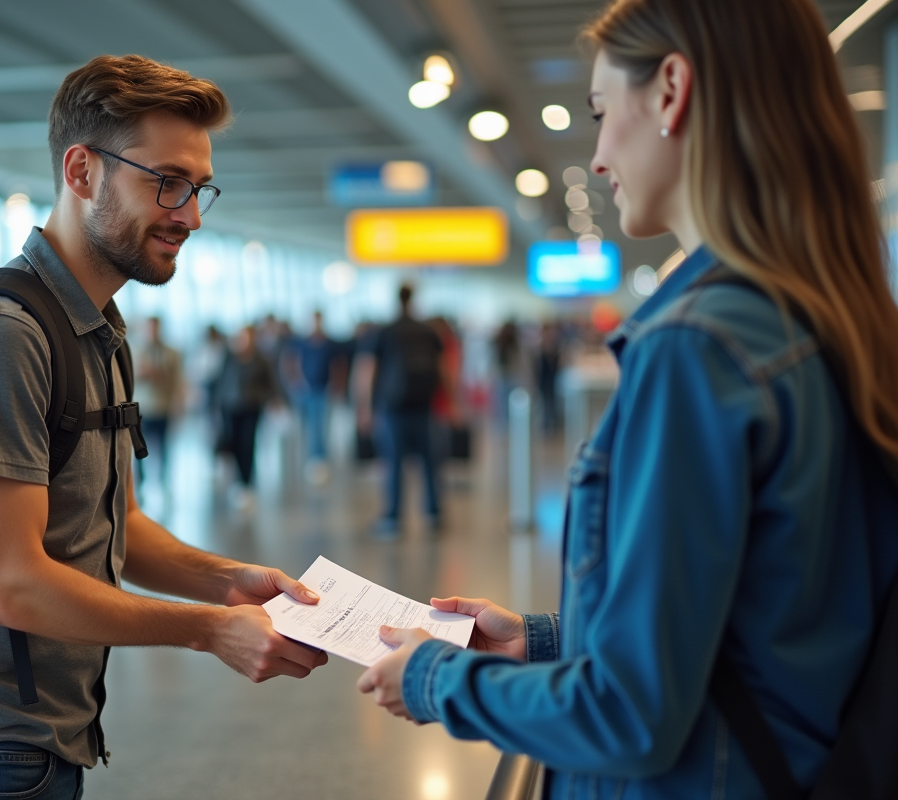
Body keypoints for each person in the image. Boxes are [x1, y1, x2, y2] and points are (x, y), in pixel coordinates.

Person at [357, 1, 898, 798]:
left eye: (604, 112)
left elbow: (630, 716)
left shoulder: (697, 347)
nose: (601, 155)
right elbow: (765, 623)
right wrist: (545, 640)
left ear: (673, 89)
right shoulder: (834, 320)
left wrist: (436, 680)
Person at [0, 55, 327, 800]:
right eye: (167, 182)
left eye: (198, 187)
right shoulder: (1, 333)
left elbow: (113, 523)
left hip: (38, 741)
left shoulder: (93, 329)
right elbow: (11, 586)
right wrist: (207, 631)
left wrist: (228, 583)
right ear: (82, 171)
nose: (190, 214)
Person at [356, 284, 444, 536]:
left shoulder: (385, 331)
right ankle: (434, 512)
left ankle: (394, 516)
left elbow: (368, 370)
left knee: (393, 460)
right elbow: (443, 368)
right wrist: (453, 401)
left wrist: (364, 407)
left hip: (393, 405)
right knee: (429, 459)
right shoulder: (428, 330)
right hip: (423, 403)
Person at [214, 323, 280, 508]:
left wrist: (272, 400)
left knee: (248, 444)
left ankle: (246, 484)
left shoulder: (261, 360)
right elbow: (220, 381)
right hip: (230, 407)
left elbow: (271, 383)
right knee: (233, 444)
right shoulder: (229, 357)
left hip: (251, 408)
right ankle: (236, 481)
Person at [290, 310, 342, 484]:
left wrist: (335, 385)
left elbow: (337, 365)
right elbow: (294, 362)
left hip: (323, 390)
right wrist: (297, 382)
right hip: (306, 390)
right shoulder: (302, 343)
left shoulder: (330, 344)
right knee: (309, 426)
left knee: (320, 426)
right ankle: (313, 459)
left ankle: (319, 460)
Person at [133, 316, 184, 491]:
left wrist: (178, 404)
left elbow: (177, 380)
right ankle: (140, 482)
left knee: (163, 447)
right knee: (139, 446)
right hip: (142, 408)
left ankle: (163, 481)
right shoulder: (136, 351)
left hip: (162, 407)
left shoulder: (172, 353)